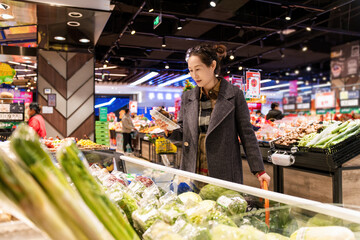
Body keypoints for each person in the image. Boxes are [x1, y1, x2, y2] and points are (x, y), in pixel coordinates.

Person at [154, 44, 270, 188]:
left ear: (212, 65)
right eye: (190, 70)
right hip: (192, 171)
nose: (194, 75)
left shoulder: (234, 95)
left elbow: (247, 135)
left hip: (224, 172)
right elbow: (184, 134)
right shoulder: (187, 97)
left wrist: (259, 170)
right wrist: (169, 129)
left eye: (198, 69)